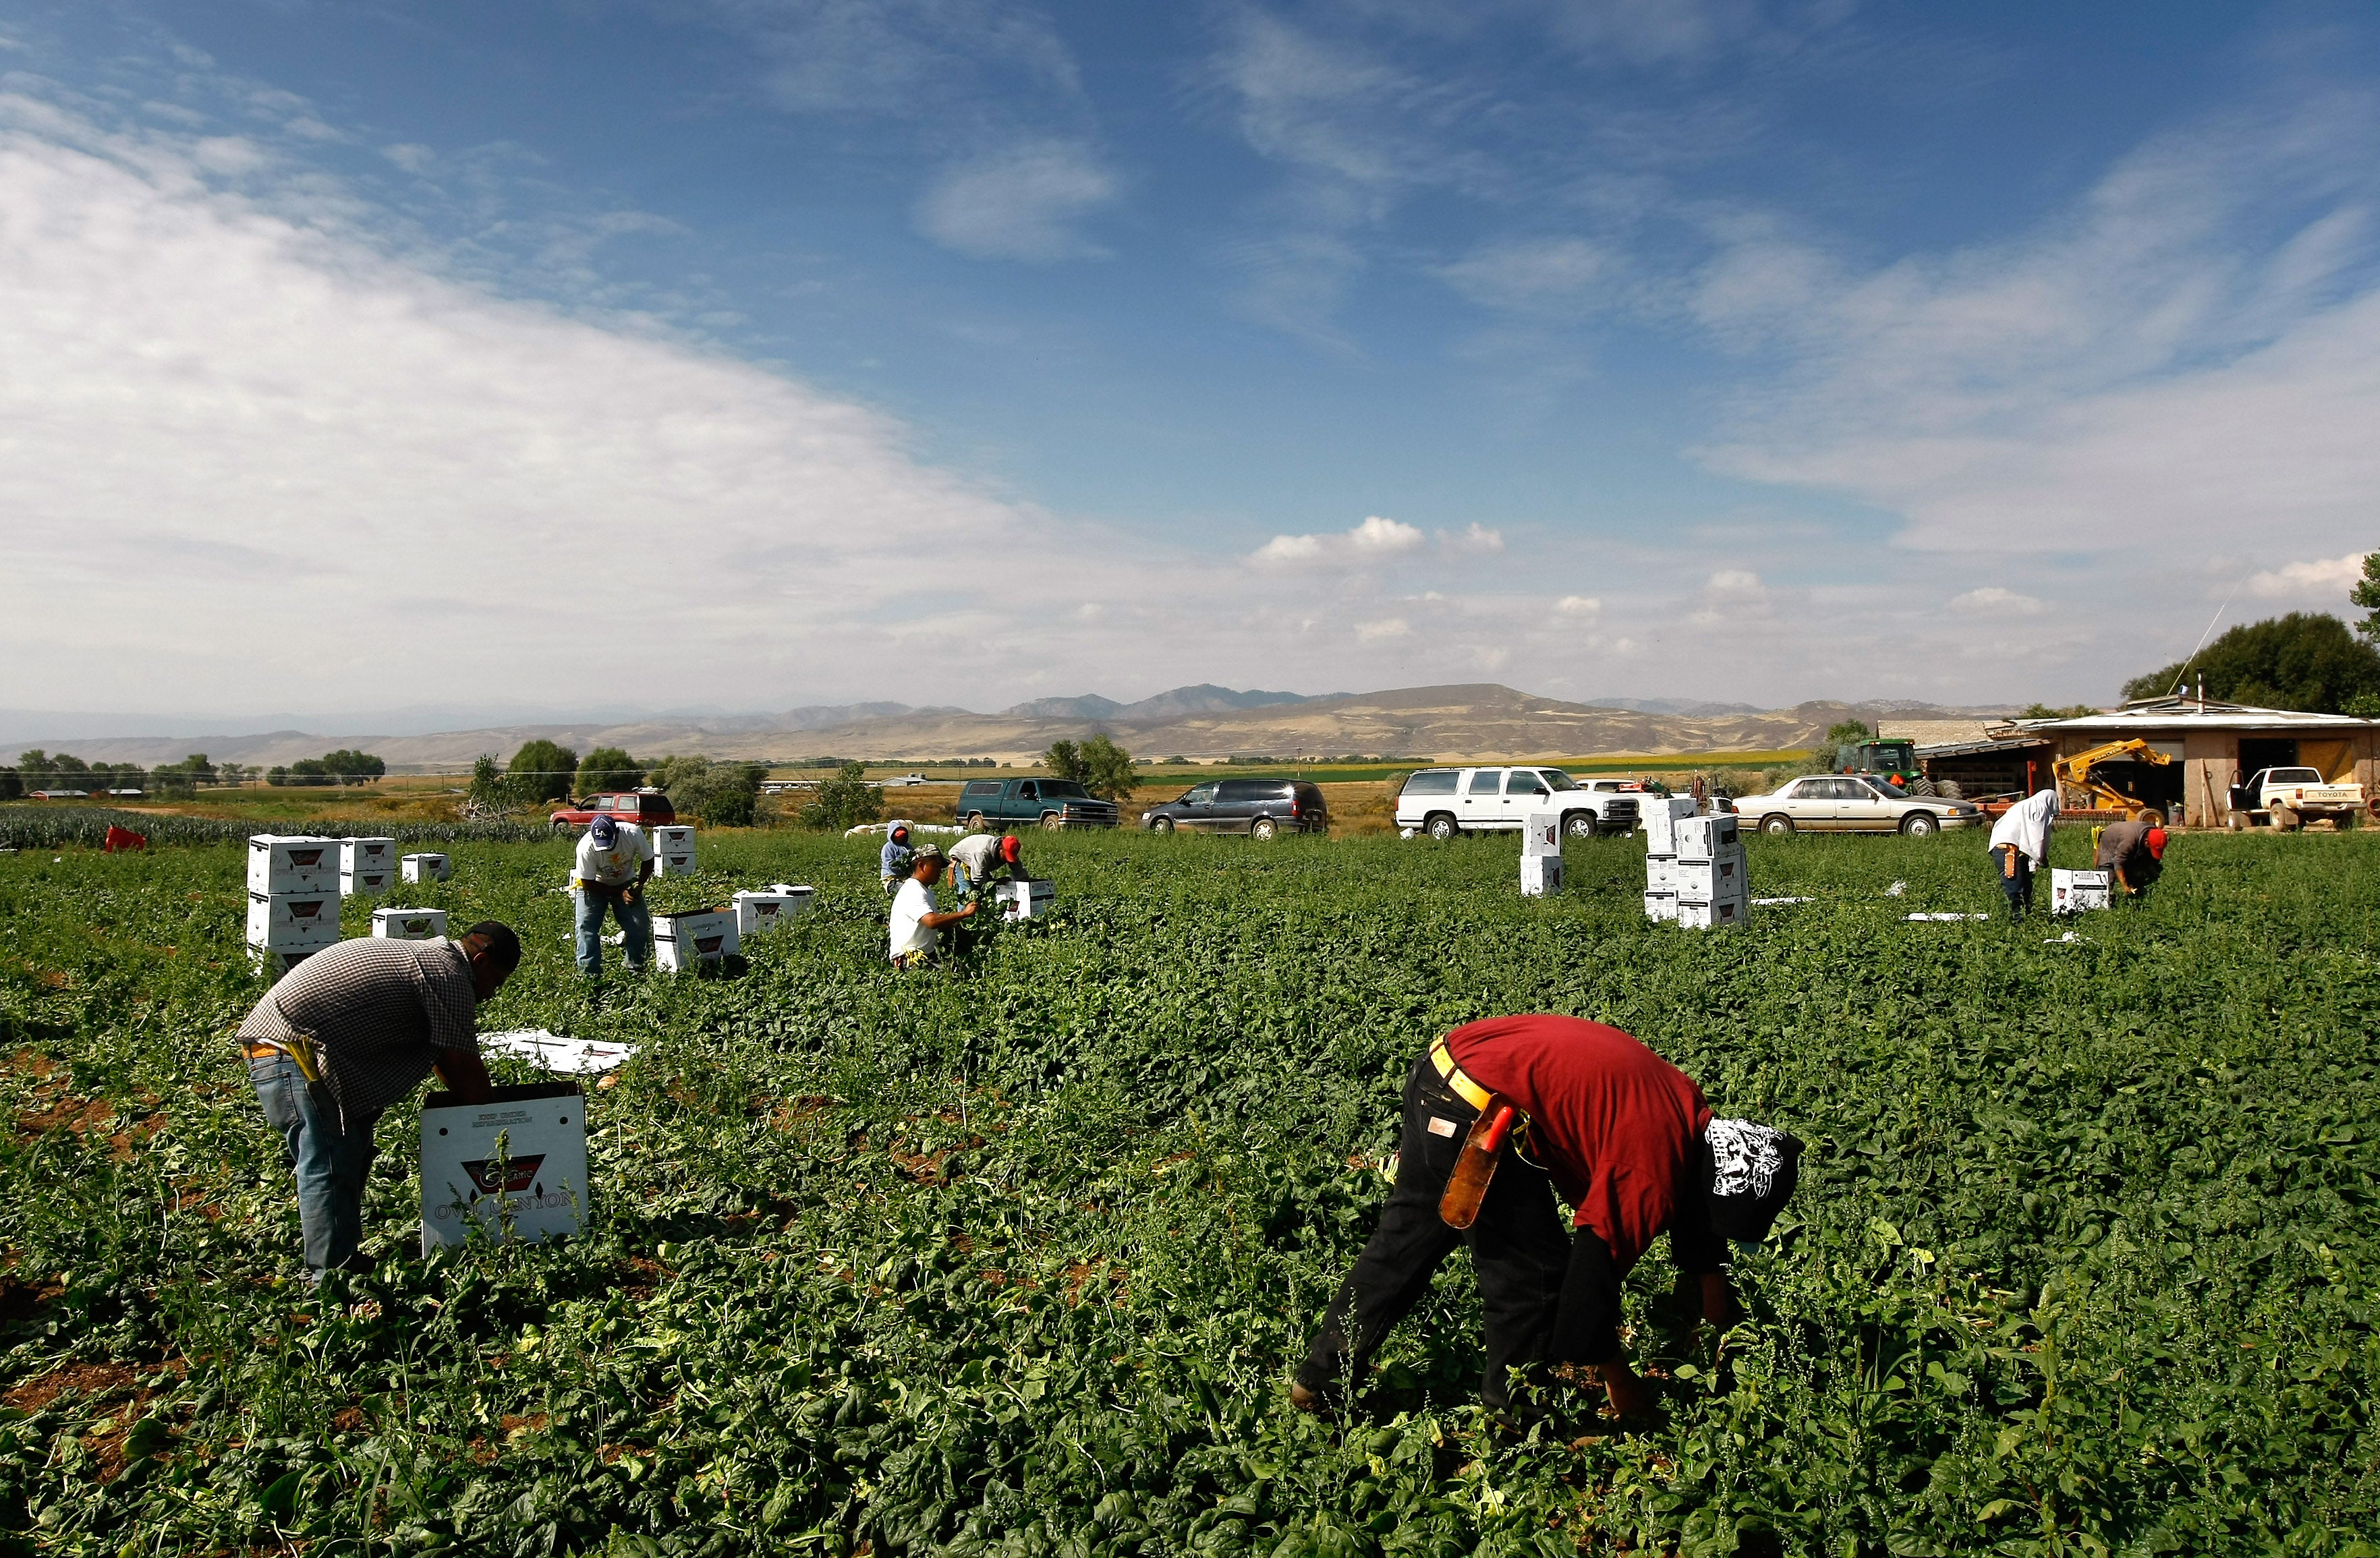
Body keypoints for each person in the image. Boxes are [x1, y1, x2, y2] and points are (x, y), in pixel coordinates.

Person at [1293, 1015, 1801, 1425]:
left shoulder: (1691, 1115)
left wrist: (1717, 1310)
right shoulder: (1650, 1165)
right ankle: (1515, 1420)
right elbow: (1587, 1283)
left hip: (1447, 1070)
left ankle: (1316, 1379)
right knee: (1532, 1275)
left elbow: (1696, 1221)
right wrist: (1622, 1383)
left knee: (1409, 1240)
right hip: (1480, 1108)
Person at [237, 925, 520, 1277]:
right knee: (328, 1164)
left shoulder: (432, 961)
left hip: (299, 1048)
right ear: (480, 961)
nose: (493, 994)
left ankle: (344, 1260)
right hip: (293, 1051)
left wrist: (475, 1108)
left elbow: (445, 1060)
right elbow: (460, 1065)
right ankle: (327, 1281)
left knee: (351, 1150)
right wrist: (507, 1129)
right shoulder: (450, 975)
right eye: (498, 981)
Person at [573, 813, 654, 975]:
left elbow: (648, 859)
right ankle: (590, 976)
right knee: (586, 928)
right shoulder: (585, 847)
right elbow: (587, 882)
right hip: (593, 886)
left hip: (626, 882)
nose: (606, 849)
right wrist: (619, 893)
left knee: (640, 925)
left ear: (616, 832)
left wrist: (639, 885)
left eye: (609, 844)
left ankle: (635, 970)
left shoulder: (633, 834)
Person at [888, 848, 978, 968]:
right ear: (921, 866)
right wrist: (964, 914)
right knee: (958, 977)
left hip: (927, 955)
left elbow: (938, 925)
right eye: (936, 866)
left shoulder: (925, 890)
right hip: (909, 959)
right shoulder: (913, 891)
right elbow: (931, 922)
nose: (940, 872)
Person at [1987, 788, 2060, 919]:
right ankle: (2016, 920)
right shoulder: (2038, 806)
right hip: (2008, 850)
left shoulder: (2026, 804)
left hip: (2011, 849)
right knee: (2015, 887)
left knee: (2025, 886)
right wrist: (2039, 857)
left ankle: (2025, 917)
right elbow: (2036, 836)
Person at [2095, 813, 2168, 896]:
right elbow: (2119, 862)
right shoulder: (2129, 841)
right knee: (2108, 877)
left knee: (2139, 870)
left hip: (2132, 841)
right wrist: (2124, 885)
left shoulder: (2154, 833)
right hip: (2110, 841)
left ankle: (2138, 891)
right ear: (2146, 841)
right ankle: (2104, 899)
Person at [948, 831, 1025, 895]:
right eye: (1006, 857)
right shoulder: (982, 852)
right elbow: (978, 879)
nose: (1006, 860)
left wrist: (1027, 885)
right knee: (969, 895)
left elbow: (1019, 872)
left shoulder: (1009, 849)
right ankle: (963, 913)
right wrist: (996, 883)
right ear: (1000, 849)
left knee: (985, 895)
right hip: (962, 860)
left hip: (979, 864)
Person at [879, 823, 914, 895]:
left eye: (903, 837)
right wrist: (902, 867)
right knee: (904, 891)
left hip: (906, 877)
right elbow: (890, 864)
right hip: (892, 878)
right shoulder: (888, 848)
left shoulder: (908, 847)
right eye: (899, 837)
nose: (900, 839)